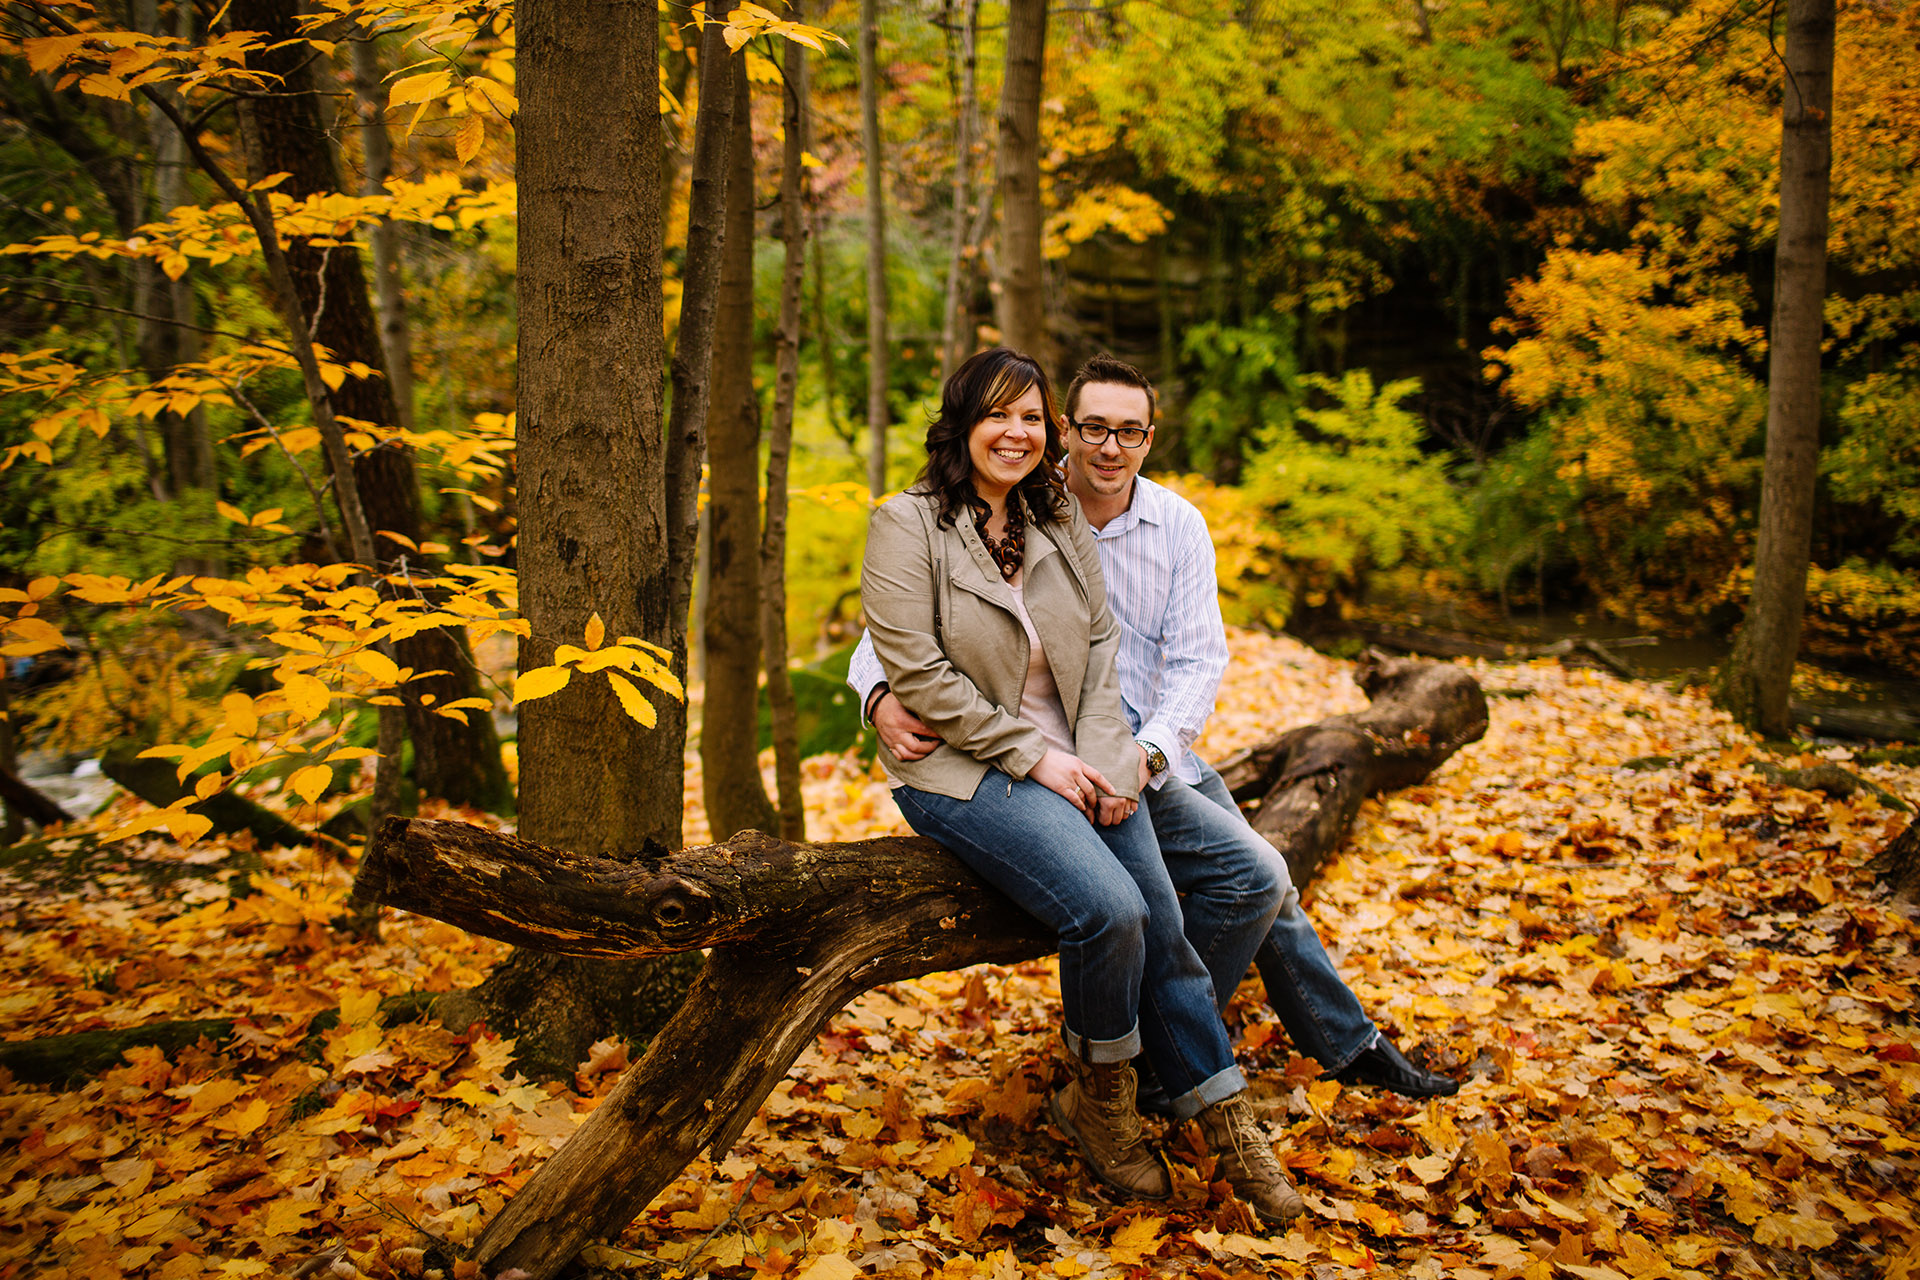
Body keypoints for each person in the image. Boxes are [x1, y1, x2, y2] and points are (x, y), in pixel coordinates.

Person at [852, 353, 1459, 1102]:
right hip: (1040, 756)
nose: (1111, 448)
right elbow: (897, 638)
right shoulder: (1016, 505)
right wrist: (877, 696)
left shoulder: (1173, 524)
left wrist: (1148, 752)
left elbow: (1201, 660)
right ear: (1068, 432)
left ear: (1149, 438)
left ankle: (1294, 1045)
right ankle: (1176, 1061)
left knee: (1260, 878)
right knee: (1213, 893)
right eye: (1096, 428)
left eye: (1130, 432)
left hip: (1148, 749)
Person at [860, 347, 1305, 1222]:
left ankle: (1224, 1122)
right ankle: (1105, 1103)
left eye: (1032, 418)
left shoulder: (1053, 516)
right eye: (999, 415)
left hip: (1084, 751)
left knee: (1168, 919)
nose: (1017, 433)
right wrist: (1040, 758)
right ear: (962, 423)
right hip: (962, 766)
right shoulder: (905, 525)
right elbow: (916, 671)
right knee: (1113, 909)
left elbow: (1099, 652)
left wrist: (1113, 763)